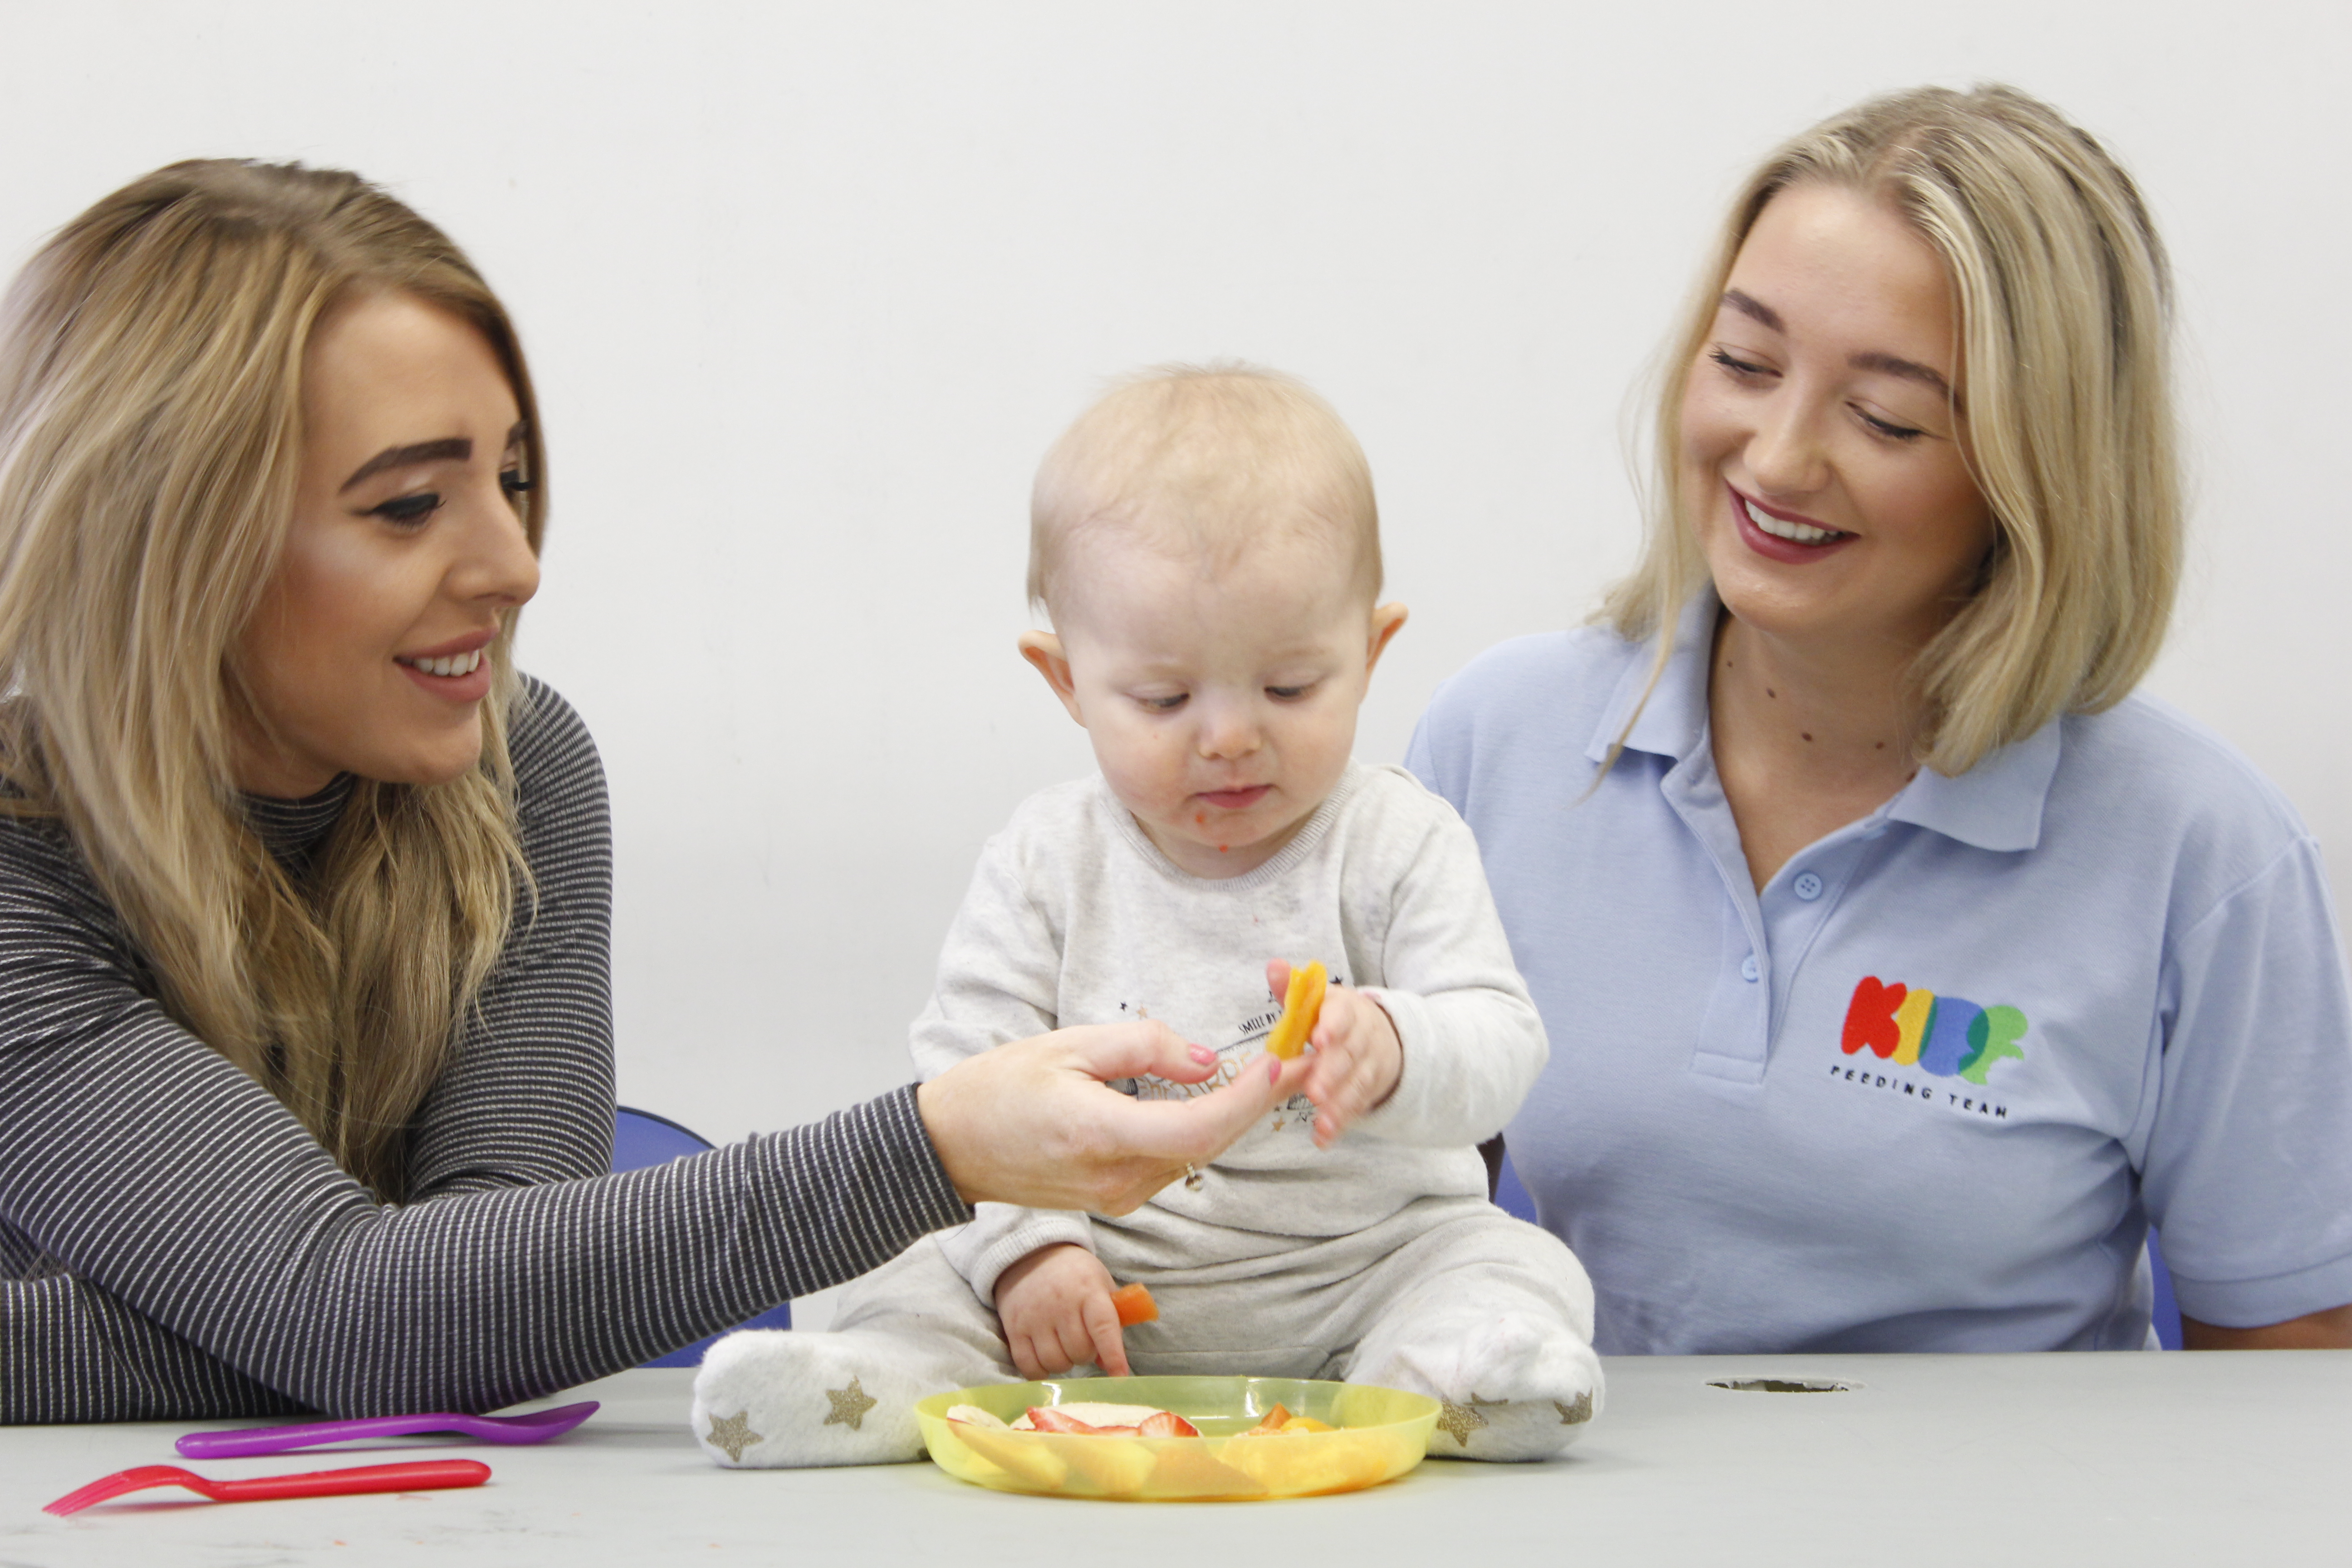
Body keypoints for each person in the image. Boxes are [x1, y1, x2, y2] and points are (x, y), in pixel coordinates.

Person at [0, 161, 1297, 1425]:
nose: (514, 566)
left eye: (510, 479)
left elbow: (460, 1313)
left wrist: (333, 1313)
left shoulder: (516, 770)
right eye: (407, 505)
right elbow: (391, 1318)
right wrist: (940, 1149)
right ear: (161, 541)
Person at [1409, 84, 2352, 1354]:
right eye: (1745, 363)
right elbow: (1372, 1239)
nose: (1779, 457)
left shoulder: (2207, 857)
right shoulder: (1497, 742)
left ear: (2037, 472)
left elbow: (2290, 1404)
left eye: (1888, 417)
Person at [690, 366, 1601, 1466]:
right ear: (1067, 681)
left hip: (1363, 1276)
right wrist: (1031, 1256)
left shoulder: (1401, 841)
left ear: (1373, 651)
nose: (1227, 737)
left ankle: (1454, 1378)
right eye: (1165, 700)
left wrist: (1400, 1044)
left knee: (1517, 1264)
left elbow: (1506, 1041)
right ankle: (879, 1391)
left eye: (1290, 686)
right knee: (918, 1265)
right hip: (1096, 1297)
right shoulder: (1044, 861)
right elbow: (964, 1086)